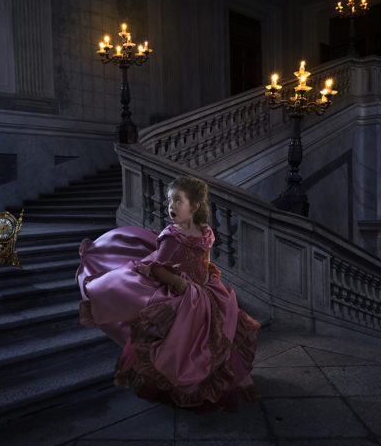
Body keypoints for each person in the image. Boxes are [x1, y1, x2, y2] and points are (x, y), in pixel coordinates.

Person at [76, 175, 261, 414]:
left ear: (194, 206)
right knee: (186, 345)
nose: (171, 206)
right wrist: (179, 284)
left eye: (177, 200)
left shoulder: (204, 231)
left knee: (217, 337)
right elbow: (158, 266)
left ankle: (213, 386)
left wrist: (204, 279)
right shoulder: (172, 236)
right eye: (169, 201)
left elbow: (201, 259)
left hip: (205, 289)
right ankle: (189, 388)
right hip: (184, 295)